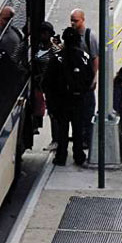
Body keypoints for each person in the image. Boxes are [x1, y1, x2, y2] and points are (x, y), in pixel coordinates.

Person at [45, 27, 91, 166]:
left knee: (62, 130)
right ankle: (78, 155)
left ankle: (61, 156)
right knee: (77, 129)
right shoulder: (83, 57)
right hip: (78, 99)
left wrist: (52, 101)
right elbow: (89, 76)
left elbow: (47, 81)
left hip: (61, 100)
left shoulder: (57, 58)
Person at [70, 9, 99, 148]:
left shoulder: (89, 36)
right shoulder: (71, 36)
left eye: (76, 20)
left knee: (87, 111)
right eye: (72, 20)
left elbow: (95, 58)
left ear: (83, 20)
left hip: (85, 80)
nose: (73, 23)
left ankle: (87, 138)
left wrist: (94, 78)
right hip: (74, 81)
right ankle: (79, 137)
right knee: (76, 112)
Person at [32, 21, 60, 145]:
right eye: (41, 33)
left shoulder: (55, 50)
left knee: (53, 113)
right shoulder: (36, 48)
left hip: (51, 85)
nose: (43, 35)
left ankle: (56, 139)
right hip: (38, 84)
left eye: (45, 33)